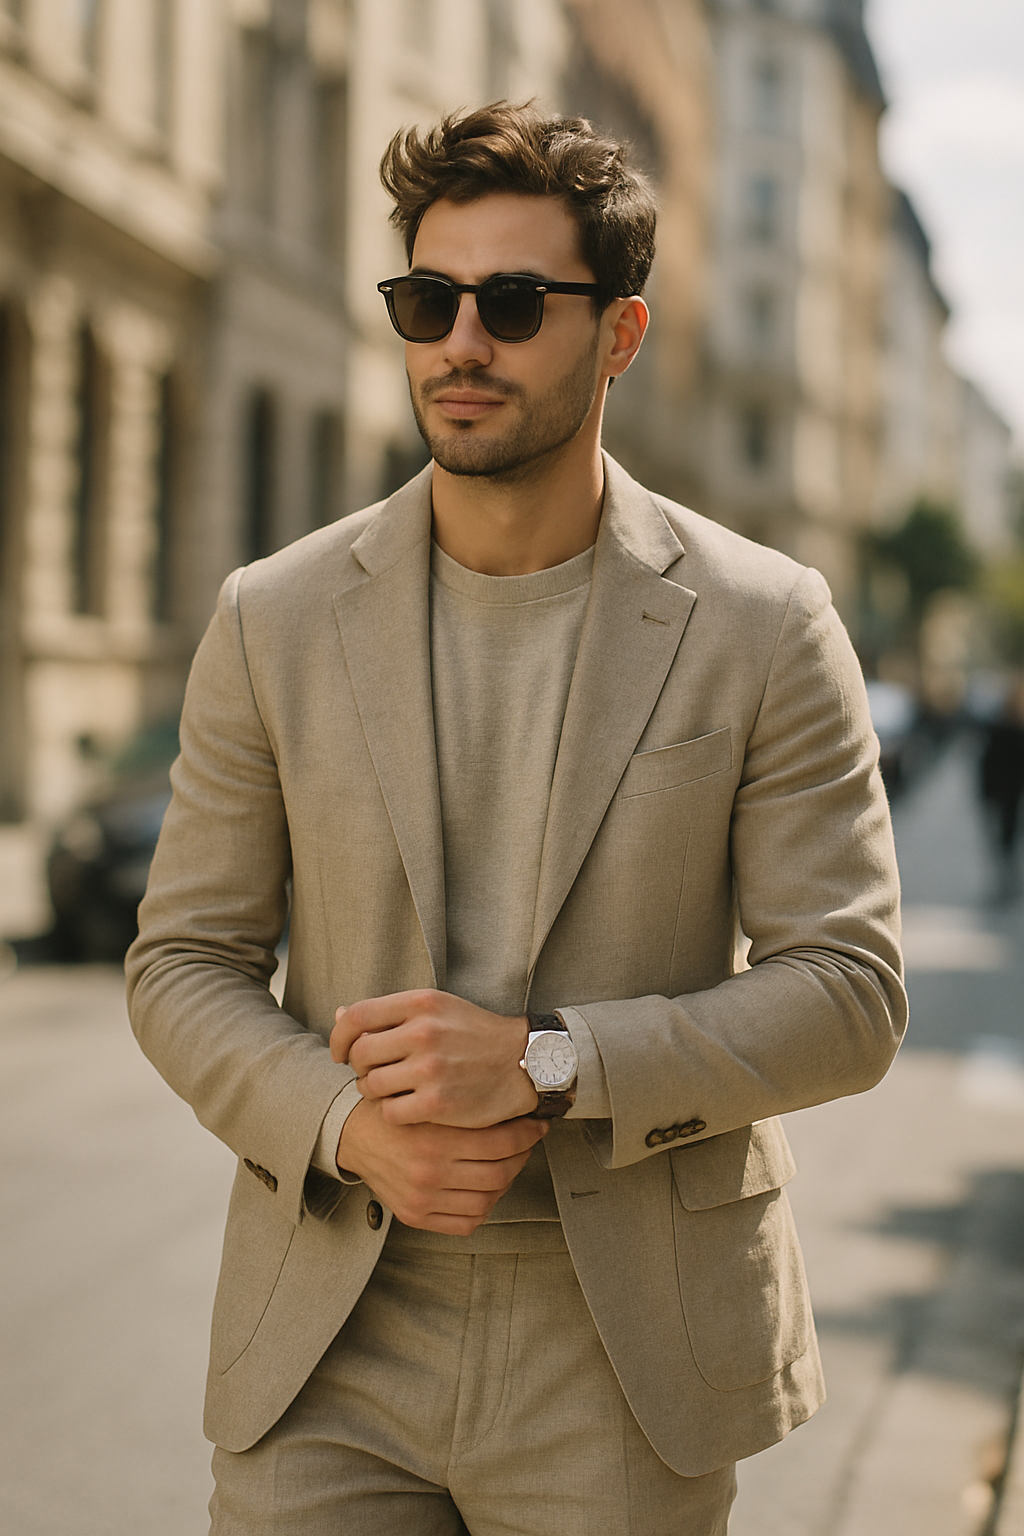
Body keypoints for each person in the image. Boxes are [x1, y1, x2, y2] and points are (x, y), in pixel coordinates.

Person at [126, 102, 906, 1536]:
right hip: (328, 1338)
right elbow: (181, 963)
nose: (460, 343)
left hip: (625, 1350)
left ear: (618, 334)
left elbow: (850, 993)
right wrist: (353, 1126)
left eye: (511, 303)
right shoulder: (273, 616)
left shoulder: (765, 621)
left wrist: (551, 1064)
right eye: (428, 301)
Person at [979, 677, 1024, 901]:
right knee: (1006, 837)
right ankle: (1008, 880)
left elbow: (986, 764)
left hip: (1005, 794)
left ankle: (1008, 880)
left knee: (1005, 838)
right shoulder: (1000, 729)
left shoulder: (999, 729)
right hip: (1006, 794)